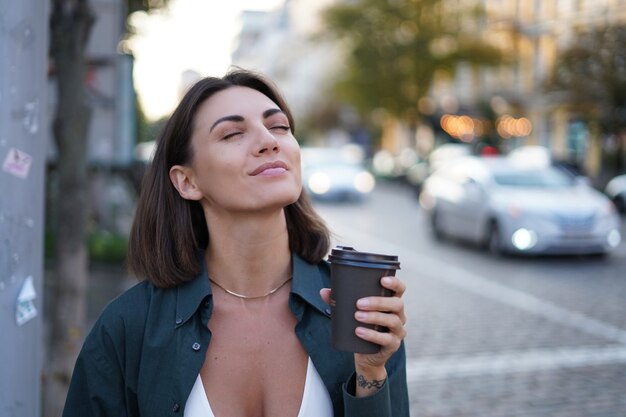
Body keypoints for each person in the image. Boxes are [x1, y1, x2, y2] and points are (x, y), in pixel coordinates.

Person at [62, 69, 409, 417]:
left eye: (279, 127)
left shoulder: (355, 308)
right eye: (232, 134)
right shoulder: (128, 327)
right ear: (187, 181)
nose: (269, 141)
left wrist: (370, 374)